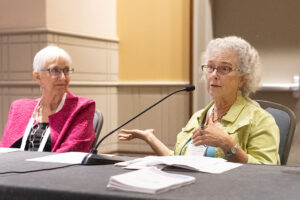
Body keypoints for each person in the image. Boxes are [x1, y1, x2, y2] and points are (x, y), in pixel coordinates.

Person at [118, 36, 280, 165]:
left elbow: (266, 173)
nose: (214, 74)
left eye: (224, 68)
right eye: (210, 67)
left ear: (243, 79)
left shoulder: (260, 120)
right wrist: (149, 138)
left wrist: (228, 145)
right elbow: (177, 160)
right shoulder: (199, 117)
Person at [0, 46, 95, 152]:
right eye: (55, 71)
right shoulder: (20, 108)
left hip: (57, 168)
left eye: (66, 71)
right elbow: (4, 148)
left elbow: (73, 150)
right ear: (38, 77)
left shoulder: (81, 108)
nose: (63, 77)